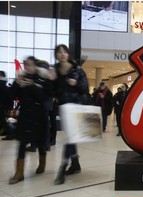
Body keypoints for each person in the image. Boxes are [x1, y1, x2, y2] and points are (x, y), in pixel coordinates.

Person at [9, 56, 52, 184]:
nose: (28, 67)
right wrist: (17, 84)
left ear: (36, 66)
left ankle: (42, 163)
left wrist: (32, 85)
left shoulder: (43, 79)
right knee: (21, 143)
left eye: (31, 65)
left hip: (39, 117)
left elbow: (45, 97)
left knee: (39, 143)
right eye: (26, 65)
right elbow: (12, 96)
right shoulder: (21, 78)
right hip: (25, 118)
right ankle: (19, 172)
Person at [53, 44, 90, 185]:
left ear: (68, 54)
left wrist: (76, 83)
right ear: (56, 55)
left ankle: (62, 168)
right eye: (59, 52)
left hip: (77, 108)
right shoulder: (55, 71)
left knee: (69, 138)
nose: (62, 54)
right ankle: (75, 164)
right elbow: (54, 92)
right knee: (71, 137)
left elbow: (84, 88)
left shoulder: (77, 70)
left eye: (64, 52)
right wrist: (51, 81)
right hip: (64, 108)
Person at [0, 71, 12, 139]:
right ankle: (11, 133)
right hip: (4, 106)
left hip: (1, 106)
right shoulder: (5, 85)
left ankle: (11, 133)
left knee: (3, 121)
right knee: (3, 121)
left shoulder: (1, 84)